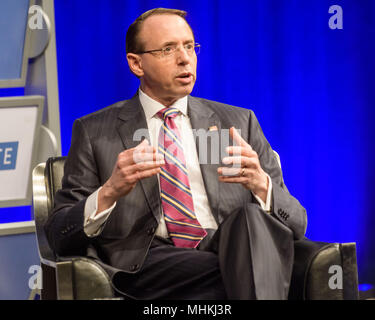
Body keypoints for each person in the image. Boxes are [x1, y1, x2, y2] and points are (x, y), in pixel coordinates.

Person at [45, 8, 307, 300]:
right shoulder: (95, 132)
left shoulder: (237, 122)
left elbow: (297, 223)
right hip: (150, 262)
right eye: (168, 49)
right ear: (136, 63)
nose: (185, 58)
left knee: (249, 220)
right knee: (259, 267)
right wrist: (109, 192)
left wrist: (262, 185)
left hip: (228, 245)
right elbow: (58, 234)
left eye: (189, 46)